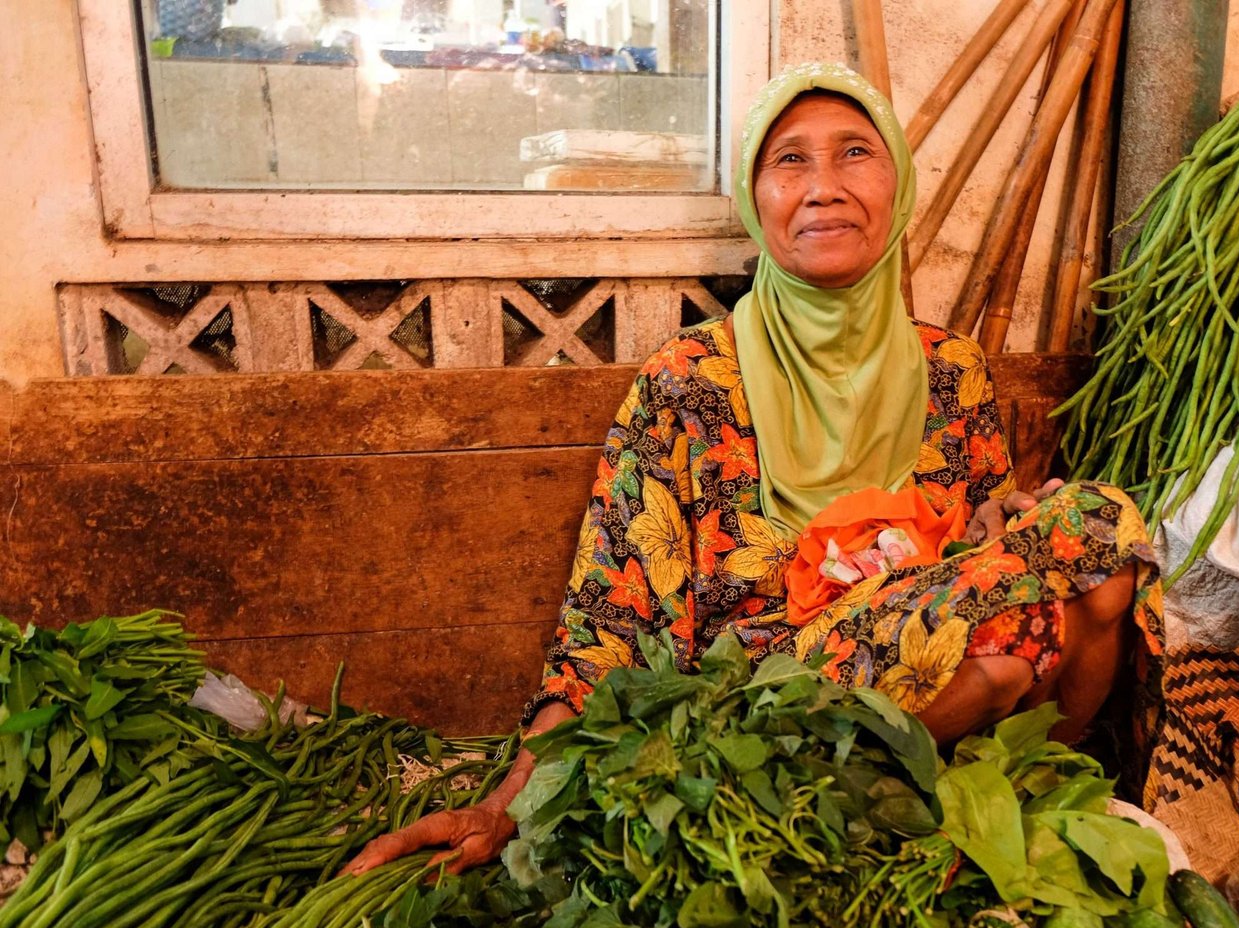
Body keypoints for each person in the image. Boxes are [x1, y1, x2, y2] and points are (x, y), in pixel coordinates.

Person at [345, 63, 1162, 878]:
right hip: (760, 730)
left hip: (945, 703)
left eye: (854, 154)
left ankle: (1031, 795)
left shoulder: (952, 371)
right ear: (753, 198)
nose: (824, 188)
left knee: (1097, 544)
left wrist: (1009, 526)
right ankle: (848, 828)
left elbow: (979, 562)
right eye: (790, 161)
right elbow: (608, 620)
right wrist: (511, 800)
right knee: (996, 657)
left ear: (899, 186)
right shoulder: (690, 382)